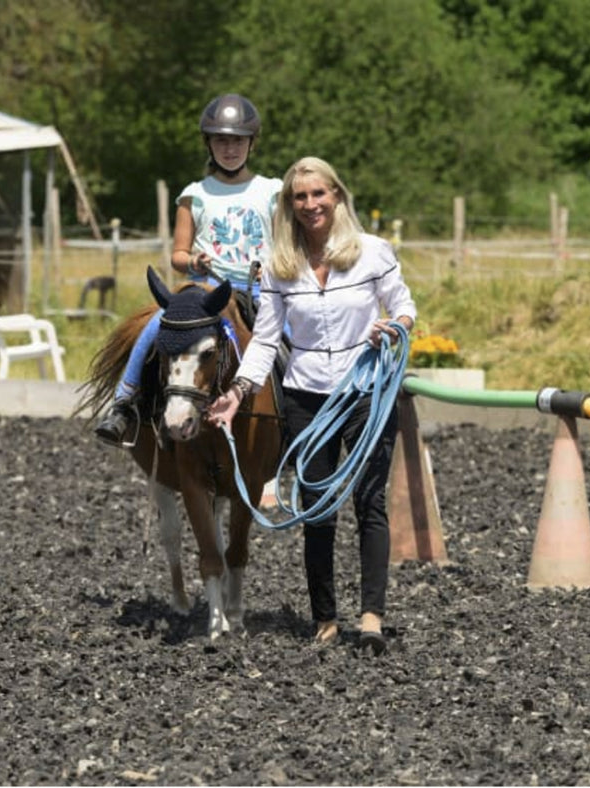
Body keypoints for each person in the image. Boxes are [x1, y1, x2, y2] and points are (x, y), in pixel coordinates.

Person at [206, 156, 416, 655]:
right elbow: (265, 340)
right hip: (305, 394)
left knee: (369, 502)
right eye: (299, 197)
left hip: (365, 390)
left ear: (337, 196)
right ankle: (324, 617)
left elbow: (404, 306)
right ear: (289, 205)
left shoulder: (372, 253)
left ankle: (371, 618)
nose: (310, 205)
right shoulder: (280, 265)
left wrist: (397, 329)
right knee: (317, 509)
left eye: (318, 194)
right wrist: (236, 394)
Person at [94, 93, 282, 446]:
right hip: (207, 292)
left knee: (294, 333)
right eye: (221, 140)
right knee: (154, 326)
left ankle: (299, 416)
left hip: (260, 287)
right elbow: (177, 255)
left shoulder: (271, 190)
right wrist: (192, 261)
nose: (230, 149)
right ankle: (124, 402)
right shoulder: (194, 195)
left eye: (238, 141)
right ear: (208, 144)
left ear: (251, 144)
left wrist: (274, 266)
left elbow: (286, 246)